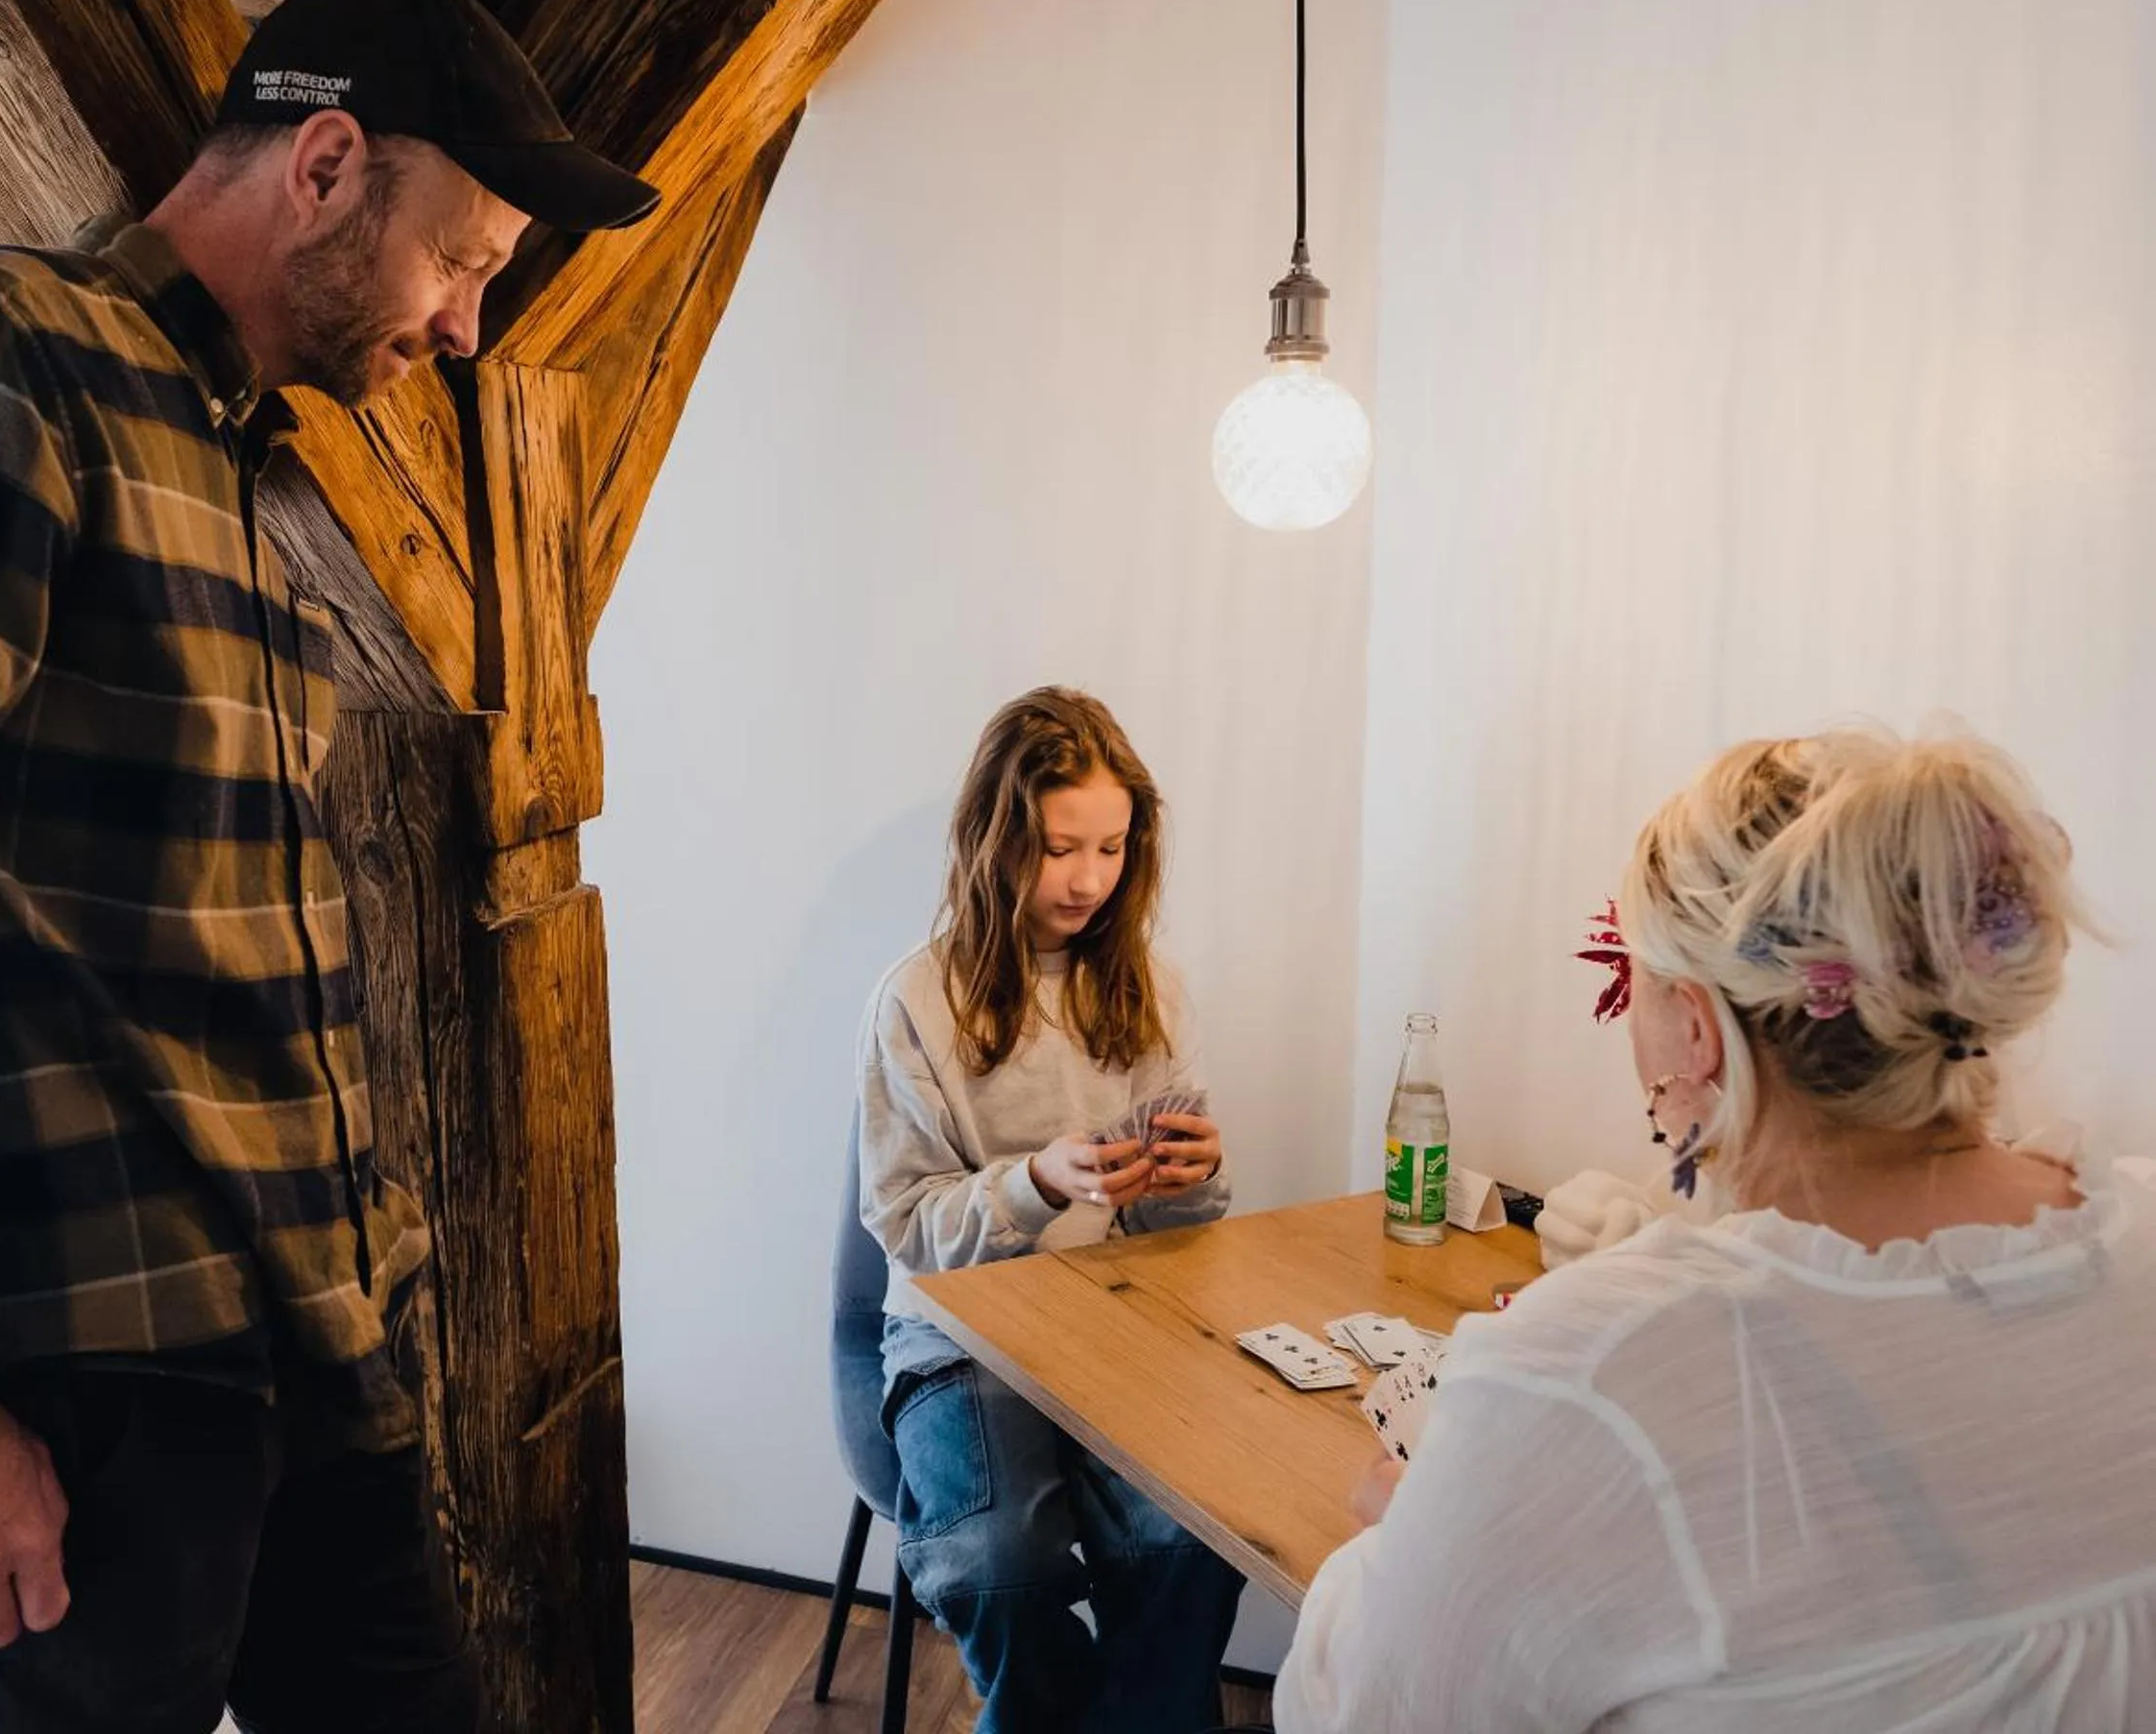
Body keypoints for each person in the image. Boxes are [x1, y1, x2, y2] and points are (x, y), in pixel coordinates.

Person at [0, 0, 655, 1734]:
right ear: (330, 164)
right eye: (463, 262)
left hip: (306, 1367)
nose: (462, 331)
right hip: (73, 1397)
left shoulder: (226, 466)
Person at [1274, 725, 2156, 1730]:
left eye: (1638, 979)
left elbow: (1363, 1711)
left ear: (1695, 1026)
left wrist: (1418, 1539)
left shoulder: (1585, 1371)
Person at [860, 687, 1248, 1733]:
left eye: (1113, 848)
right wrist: (1038, 1184)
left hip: (1115, 1317)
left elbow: (1184, 1237)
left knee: (1194, 1542)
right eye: (1059, 848)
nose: (1088, 879)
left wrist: (1194, 1178)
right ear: (996, 840)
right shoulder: (918, 999)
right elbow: (903, 1223)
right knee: (997, 1565)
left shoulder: (1151, 989)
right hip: (958, 1333)